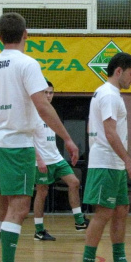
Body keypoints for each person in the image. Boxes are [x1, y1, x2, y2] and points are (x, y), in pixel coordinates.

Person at [0, 12, 79, 262]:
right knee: (20, 207)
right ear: (26, 34)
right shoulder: (28, 63)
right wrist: (68, 138)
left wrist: (0, 127)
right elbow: (43, 106)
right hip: (17, 144)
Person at [78, 52, 131, 262]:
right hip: (106, 162)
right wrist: (129, 160)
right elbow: (109, 131)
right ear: (119, 71)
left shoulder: (111, 94)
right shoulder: (108, 94)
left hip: (114, 163)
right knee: (103, 213)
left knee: (121, 210)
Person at [32, 81, 89, 241]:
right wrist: (38, 159)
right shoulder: (33, 113)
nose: (48, 95)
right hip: (41, 161)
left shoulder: (52, 112)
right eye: (45, 92)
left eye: (51, 92)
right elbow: (28, 139)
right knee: (42, 192)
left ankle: (79, 221)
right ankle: (39, 230)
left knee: (74, 182)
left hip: (56, 158)